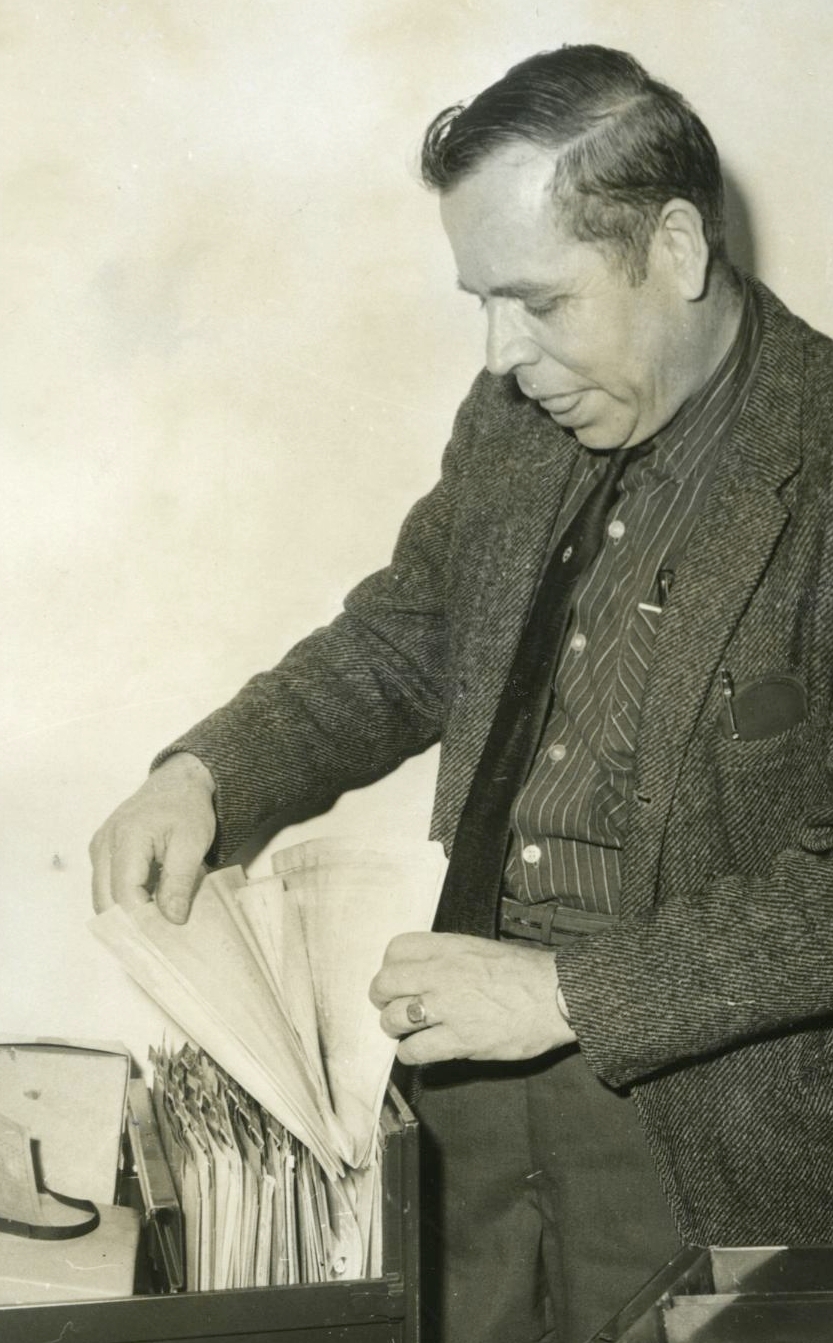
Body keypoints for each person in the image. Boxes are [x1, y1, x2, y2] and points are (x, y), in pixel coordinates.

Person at [91, 44, 833, 1343]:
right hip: (454, 1101)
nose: (500, 353)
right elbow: (406, 639)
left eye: (538, 302)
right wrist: (204, 774)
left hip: (712, 1138)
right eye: (482, 301)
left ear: (673, 248)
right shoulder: (516, 417)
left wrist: (566, 997)